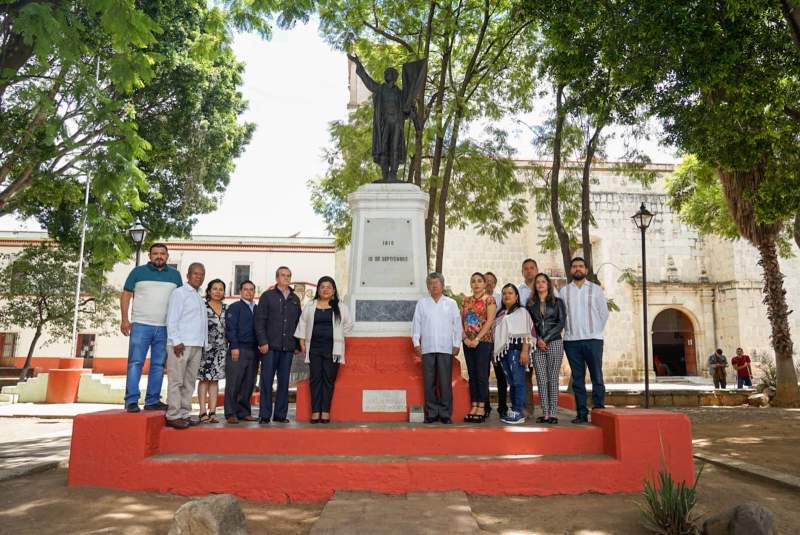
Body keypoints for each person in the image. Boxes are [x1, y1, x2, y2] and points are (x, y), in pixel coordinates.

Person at [120, 243, 183, 413]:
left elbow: (179, 302)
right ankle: (131, 400)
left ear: (167, 256)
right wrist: (125, 319)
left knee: (158, 365)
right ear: (150, 256)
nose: (159, 256)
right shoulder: (138, 272)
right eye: (155, 253)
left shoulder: (175, 275)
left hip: (165, 327)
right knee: (135, 363)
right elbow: (126, 294)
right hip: (141, 325)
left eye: (162, 253)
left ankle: (152, 400)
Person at [294, 276, 353, 423]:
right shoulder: (310, 305)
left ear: (333, 291)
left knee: (328, 379)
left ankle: (325, 411)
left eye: (329, 287)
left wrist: (338, 334)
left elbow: (349, 325)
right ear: (318, 290)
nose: (325, 289)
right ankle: (315, 411)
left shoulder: (340, 306)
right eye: (322, 287)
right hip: (314, 347)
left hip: (333, 349)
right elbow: (302, 323)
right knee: (315, 379)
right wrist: (301, 341)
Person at [559, 257, 609, 424]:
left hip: (593, 340)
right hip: (571, 341)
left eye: (581, 266)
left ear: (586, 270)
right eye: (574, 266)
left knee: (597, 375)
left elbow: (604, 313)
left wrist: (594, 331)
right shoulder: (564, 291)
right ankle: (581, 413)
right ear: (571, 270)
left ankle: (599, 409)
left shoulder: (595, 289)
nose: (577, 269)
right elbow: (561, 315)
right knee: (578, 379)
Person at [412, 272, 462, 424]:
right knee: (429, 382)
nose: (434, 286)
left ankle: (445, 413)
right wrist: (416, 343)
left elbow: (457, 325)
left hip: (445, 347)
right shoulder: (422, 303)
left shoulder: (451, 303)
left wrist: (456, 343)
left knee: (445, 382)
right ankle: (432, 413)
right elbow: (416, 324)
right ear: (428, 286)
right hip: (427, 348)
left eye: (437, 283)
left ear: (442, 285)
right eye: (431, 284)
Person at [254, 266, 302, 424]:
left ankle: (281, 414)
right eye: (283, 275)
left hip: (287, 348)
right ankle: (265, 415)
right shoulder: (267, 296)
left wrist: (296, 344)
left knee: (284, 383)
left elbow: (298, 323)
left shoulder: (295, 298)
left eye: (289, 275)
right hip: (269, 347)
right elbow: (259, 321)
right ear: (277, 278)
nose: (286, 278)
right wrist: (262, 341)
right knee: (266, 381)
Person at [164, 263, 208, 429]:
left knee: (189, 382)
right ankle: (173, 414)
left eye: (202, 274)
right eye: (196, 273)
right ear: (188, 275)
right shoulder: (179, 293)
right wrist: (176, 341)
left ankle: (184, 413)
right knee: (176, 381)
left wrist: (203, 344)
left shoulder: (198, 296)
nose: (199, 277)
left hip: (196, 344)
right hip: (181, 345)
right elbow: (172, 317)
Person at [528, 273, 566, 424]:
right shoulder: (530, 304)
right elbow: (530, 325)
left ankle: (554, 413)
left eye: (543, 282)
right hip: (537, 345)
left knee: (553, 379)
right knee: (541, 379)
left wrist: (547, 338)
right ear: (535, 285)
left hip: (555, 342)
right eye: (538, 282)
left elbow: (561, 322)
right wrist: (538, 340)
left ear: (548, 285)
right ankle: (545, 413)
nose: (540, 284)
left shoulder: (558, 302)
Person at [493, 284, 533, 425]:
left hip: (516, 350)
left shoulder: (522, 312)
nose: (507, 296)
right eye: (504, 293)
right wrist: (495, 354)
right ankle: (514, 409)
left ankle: (519, 411)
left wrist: (524, 351)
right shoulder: (500, 314)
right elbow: (497, 335)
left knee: (518, 381)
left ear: (516, 296)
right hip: (503, 353)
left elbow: (527, 333)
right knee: (511, 382)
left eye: (510, 293)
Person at [461, 272, 497, 423]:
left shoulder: (489, 300)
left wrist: (477, 338)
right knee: (472, 374)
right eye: (473, 281)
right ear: (470, 284)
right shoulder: (466, 301)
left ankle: (482, 406)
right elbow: (461, 320)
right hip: (467, 343)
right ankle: (474, 405)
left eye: (479, 281)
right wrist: (464, 337)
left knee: (482, 375)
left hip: (483, 342)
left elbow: (489, 322)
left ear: (484, 284)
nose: (476, 284)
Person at [224, 280, 259, 424]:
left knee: (249, 383)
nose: (249, 292)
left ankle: (244, 411)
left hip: (254, 350)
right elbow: (230, 328)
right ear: (241, 291)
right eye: (246, 289)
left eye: (251, 289)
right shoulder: (235, 307)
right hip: (238, 349)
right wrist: (234, 347)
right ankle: (231, 413)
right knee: (234, 383)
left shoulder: (257, 308)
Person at [197, 279, 226, 424]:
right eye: (214, 288)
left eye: (221, 289)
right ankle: (202, 411)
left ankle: (213, 411)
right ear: (209, 291)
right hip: (205, 349)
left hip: (221, 350)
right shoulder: (202, 307)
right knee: (204, 380)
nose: (218, 291)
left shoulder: (227, 308)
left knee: (215, 381)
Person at [484, 271, 508, 418]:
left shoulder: (501, 299)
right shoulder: (478, 300)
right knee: (483, 375)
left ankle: (502, 406)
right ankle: (485, 406)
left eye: (491, 281)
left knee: (501, 376)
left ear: (495, 283)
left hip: (499, 341)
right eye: (485, 280)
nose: (488, 283)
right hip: (484, 342)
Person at [517, 258, 539, 414]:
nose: (529, 270)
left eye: (532, 268)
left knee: (546, 376)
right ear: (522, 272)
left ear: (537, 270)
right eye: (526, 268)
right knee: (525, 375)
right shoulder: (519, 291)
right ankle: (527, 409)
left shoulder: (545, 287)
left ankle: (549, 410)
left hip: (544, 339)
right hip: (525, 340)